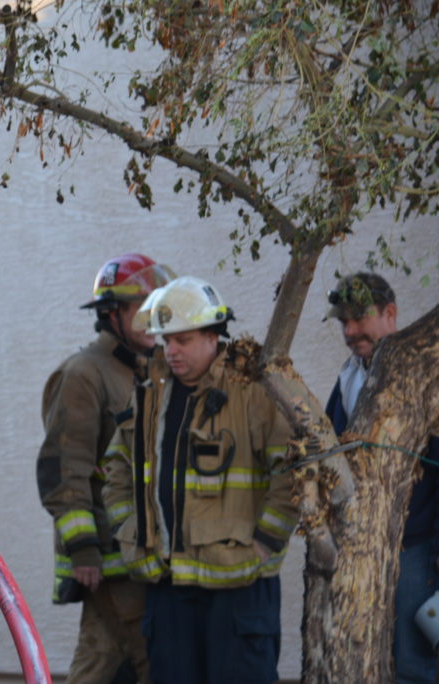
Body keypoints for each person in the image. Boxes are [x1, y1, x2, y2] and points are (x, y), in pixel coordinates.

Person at [101, 275, 298, 684]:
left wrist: (265, 543)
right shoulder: (148, 396)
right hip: (168, 587)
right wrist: (128, 531)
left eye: (183, 340)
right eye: (166, 340)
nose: (171, 350)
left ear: (213, 336)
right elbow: (116, 468)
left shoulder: (253, 393)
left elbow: (293, 468)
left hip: (238, 585)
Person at [36, 253, 174, 683]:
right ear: (112, 313)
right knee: (149, 659)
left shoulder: (156, 369)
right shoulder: (84, 374)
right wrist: (83, 549)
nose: (153, 320)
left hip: (145, 554)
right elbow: (63, 469)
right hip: (110, 557)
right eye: (142, 309)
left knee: (106, 658)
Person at [324, 272, 439, 684]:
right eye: (344, 322)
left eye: (359, 318)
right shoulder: (349, 375)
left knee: (413, 665)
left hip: (416, 548)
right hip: (361, 549)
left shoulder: (425, 374)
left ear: (390, 313)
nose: (350, 332)